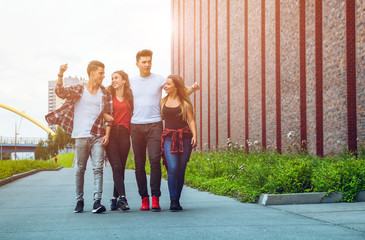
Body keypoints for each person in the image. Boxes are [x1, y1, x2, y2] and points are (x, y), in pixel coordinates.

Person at [129, 49, 199, 211]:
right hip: (136, 125)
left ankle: (155, 198)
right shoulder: (131, 81)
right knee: (139, 164)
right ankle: (144, 198)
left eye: (149, 61)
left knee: (155, 161)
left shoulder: (160, 79)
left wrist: (192, 89)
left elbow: (176, 92)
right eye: (144, 62)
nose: (147, 64)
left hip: (155, 124)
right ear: (137, 63)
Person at [45, 61, 113, 214]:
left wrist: (107, 135)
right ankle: (79, 201)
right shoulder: (79, 89)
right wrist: (61, 74)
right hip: (81, 135)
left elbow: (109, 116)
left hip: (97, 135)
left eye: (104, 72)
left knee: (98, 169)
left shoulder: (105, 93)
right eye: (101, 72)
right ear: (92, 73)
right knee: (80, 169)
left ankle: (97, 202)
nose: (103, 75)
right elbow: (60, 92)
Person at [161, 75, 197, 211]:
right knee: (173, 167)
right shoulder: (162, 101)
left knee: (181, 169)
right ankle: (172, 199)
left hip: (185, 137)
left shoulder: (184, 102)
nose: (165, 86)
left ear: (175, 86)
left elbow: (191, 120)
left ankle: (177, 200)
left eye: (168, 84)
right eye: (165, 84)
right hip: (169, 138)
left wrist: (195, 136)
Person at [104, 70, 133, 211]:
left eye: (116, 78)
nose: (113, 80)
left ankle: (114, 199)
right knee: (116, 166)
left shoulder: (130, 97)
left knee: (120, 168)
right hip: (112, 134)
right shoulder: (108, 96)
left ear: (124, 81)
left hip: (125, 135)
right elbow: (99, 110)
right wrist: (104, 114)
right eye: (112, 78)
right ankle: (123, 197)